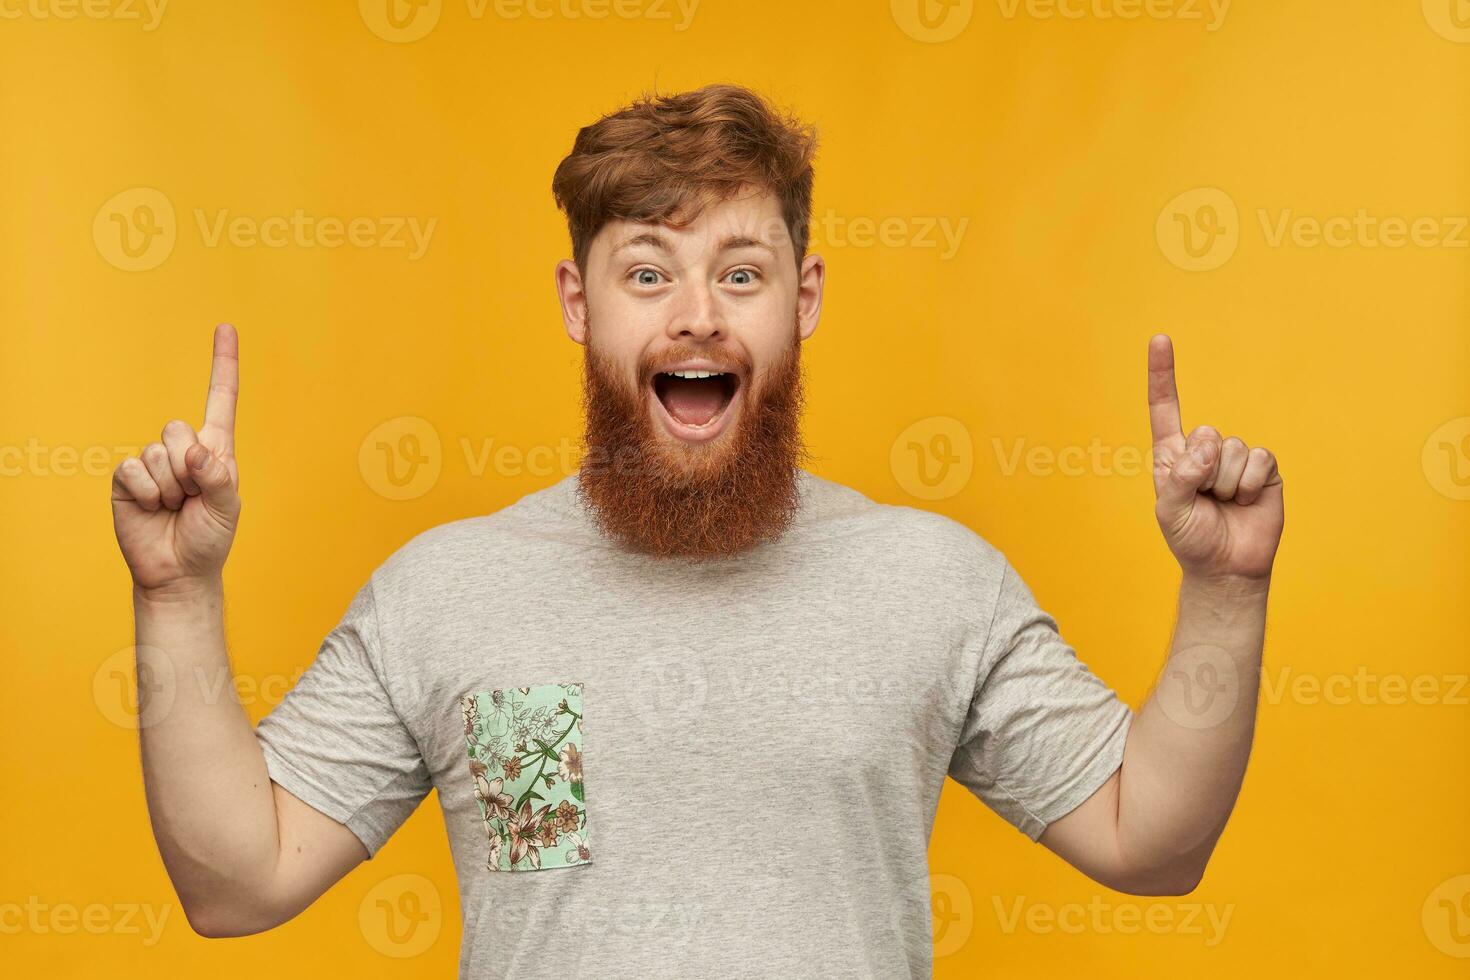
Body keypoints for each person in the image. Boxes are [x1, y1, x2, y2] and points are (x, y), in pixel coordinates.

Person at [110, 83, 1284, 978]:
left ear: (802, 298)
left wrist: (1227, 589)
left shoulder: (932, 581)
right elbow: (237, 881)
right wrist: (174, 597)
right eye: (646, 272)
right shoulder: (445, 592)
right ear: (580, 304)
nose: (695, 316)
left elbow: (1152, 841)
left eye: (739, 272)